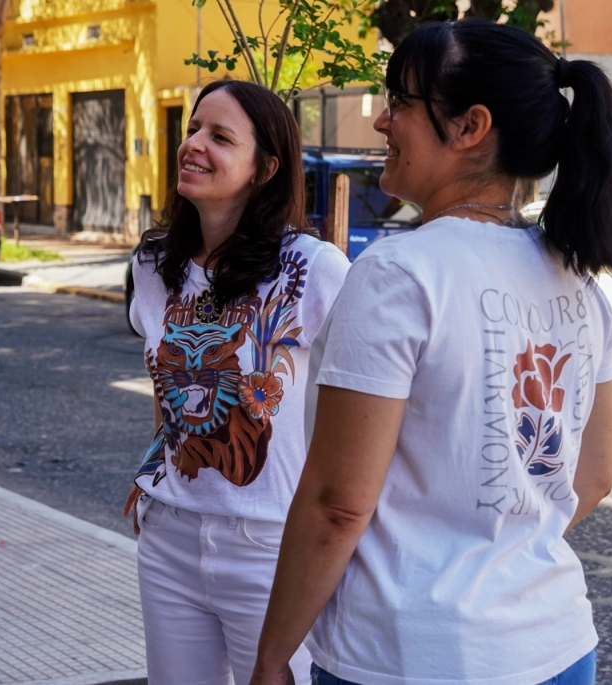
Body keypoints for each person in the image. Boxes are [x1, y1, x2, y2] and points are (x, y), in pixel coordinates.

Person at [250, 19, 612, 685]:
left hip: (411, 656)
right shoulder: (578, 283)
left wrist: (269, 655)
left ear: (469, 127)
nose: (380, 121)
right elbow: (594, 476)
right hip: (557, 643)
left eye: (400, 103)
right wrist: (498, 565)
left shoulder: (401, 275)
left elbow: (338, 502)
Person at [122, 79, 350, 685]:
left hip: (275, 548)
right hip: (170, 538)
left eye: (220, 137)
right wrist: (155, 467)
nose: (194, 144)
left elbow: (364, 405)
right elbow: (165, 387)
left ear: (265, 168)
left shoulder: (313, 269)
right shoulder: (153, 265)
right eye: (194, 128)